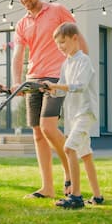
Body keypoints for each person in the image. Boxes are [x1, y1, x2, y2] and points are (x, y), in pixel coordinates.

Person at [11, 0, 89, 198]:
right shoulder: (21, 24)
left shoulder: (58, 11)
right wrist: (17, 82)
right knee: (37, 133)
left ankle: (70, 174)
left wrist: (83, 69)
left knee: (48, 127)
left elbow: (78, 40)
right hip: (33, 79)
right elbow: (18, 55)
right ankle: (47, 187)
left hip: (56, 77)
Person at [43, 22, 103, 208]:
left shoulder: (83, 61)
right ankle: (97, 196)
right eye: (58, 44)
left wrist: (57, 86)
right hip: (73, 116)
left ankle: (76, 197)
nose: (60, 47)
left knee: (69, 148)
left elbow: (79, 86)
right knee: (86, 155)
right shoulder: (66, 63)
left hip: (85, 113)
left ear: (75, 38)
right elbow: (62, 89)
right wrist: (51, 90)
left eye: (63, 42)